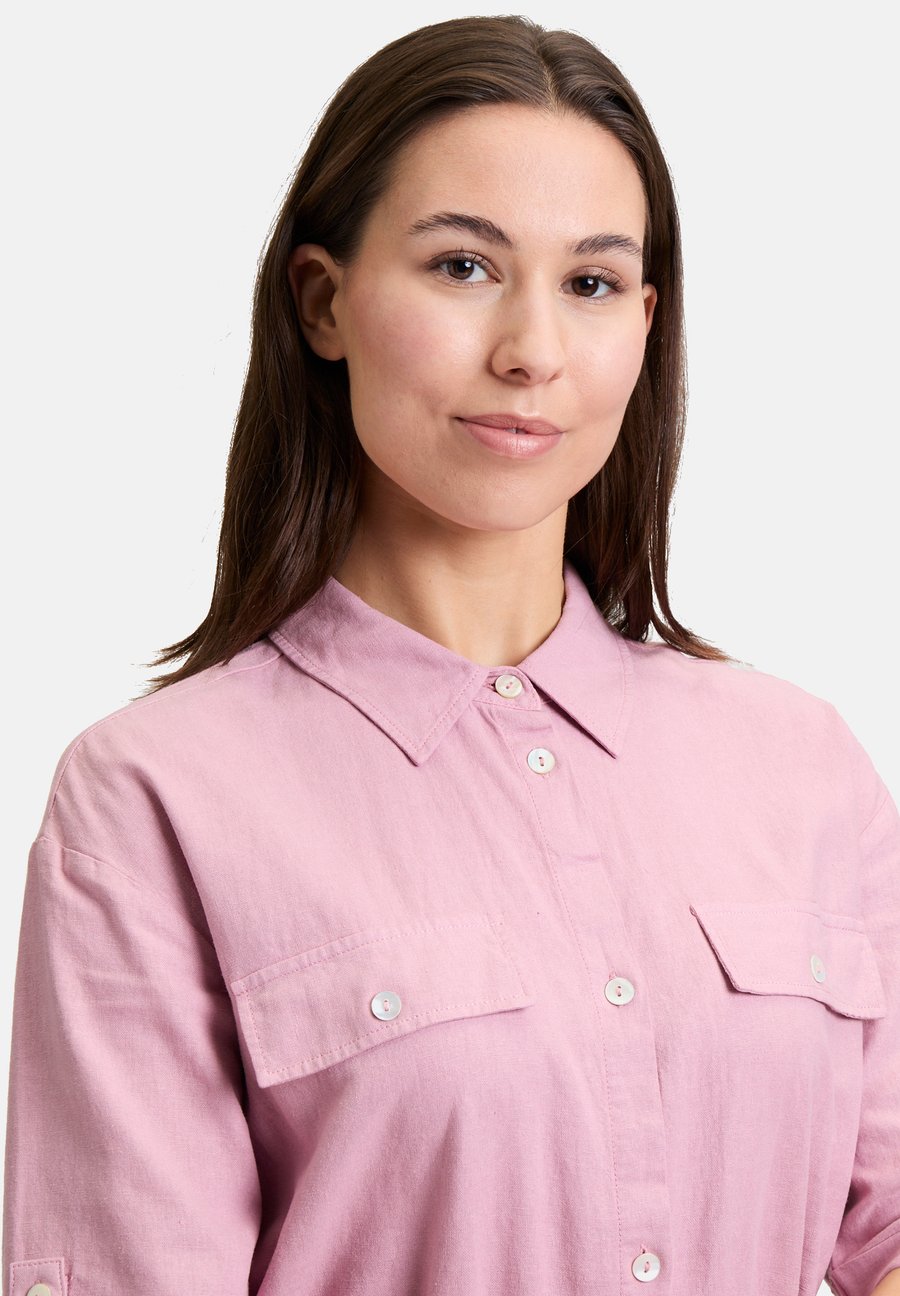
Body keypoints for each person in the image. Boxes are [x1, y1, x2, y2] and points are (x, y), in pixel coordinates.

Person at [2, 14, 897, 1296]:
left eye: (592, 284)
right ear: (323, 301)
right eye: (464, 266)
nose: (532, 350)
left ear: (645, 324)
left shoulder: (803, 771)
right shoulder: (154, 802)